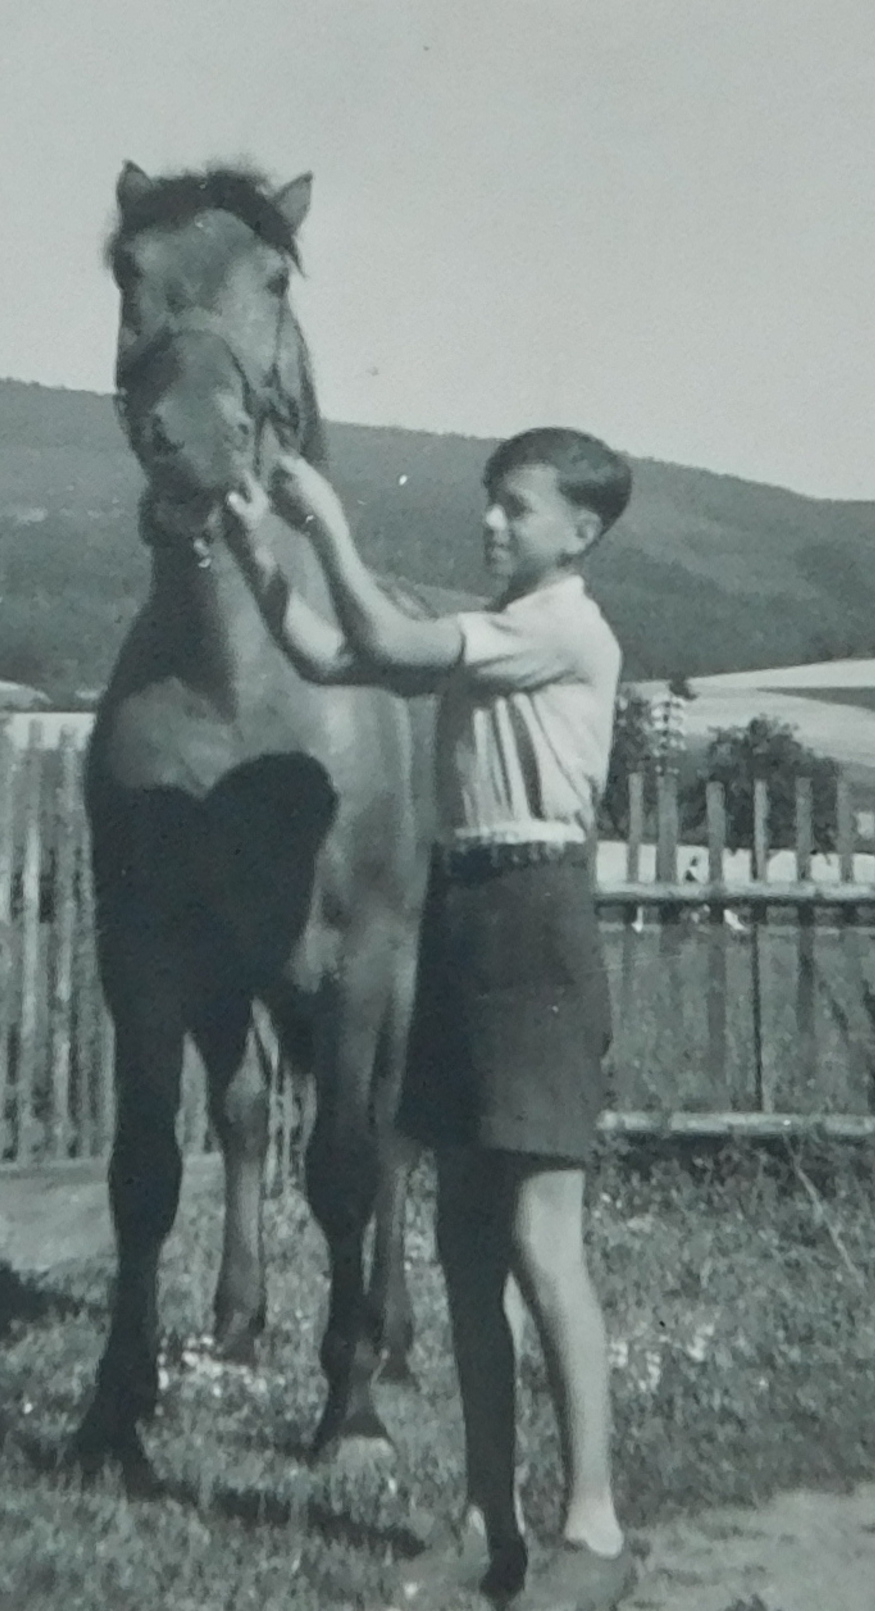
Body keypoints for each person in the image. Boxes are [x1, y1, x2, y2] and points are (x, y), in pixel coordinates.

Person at [218, 427, 635, 1611]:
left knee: (543, 1242)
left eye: (515, 508)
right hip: (461, 915)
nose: (490, 522)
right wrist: (258, 552)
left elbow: (393, 640)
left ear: (579, 532)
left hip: (535, 924)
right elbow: (336, 651)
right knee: (462, 1247)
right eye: (488, 502)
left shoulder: (563, 628)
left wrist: (325, 522)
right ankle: (488, 1526)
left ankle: (595, 1532)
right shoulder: (496, 628)